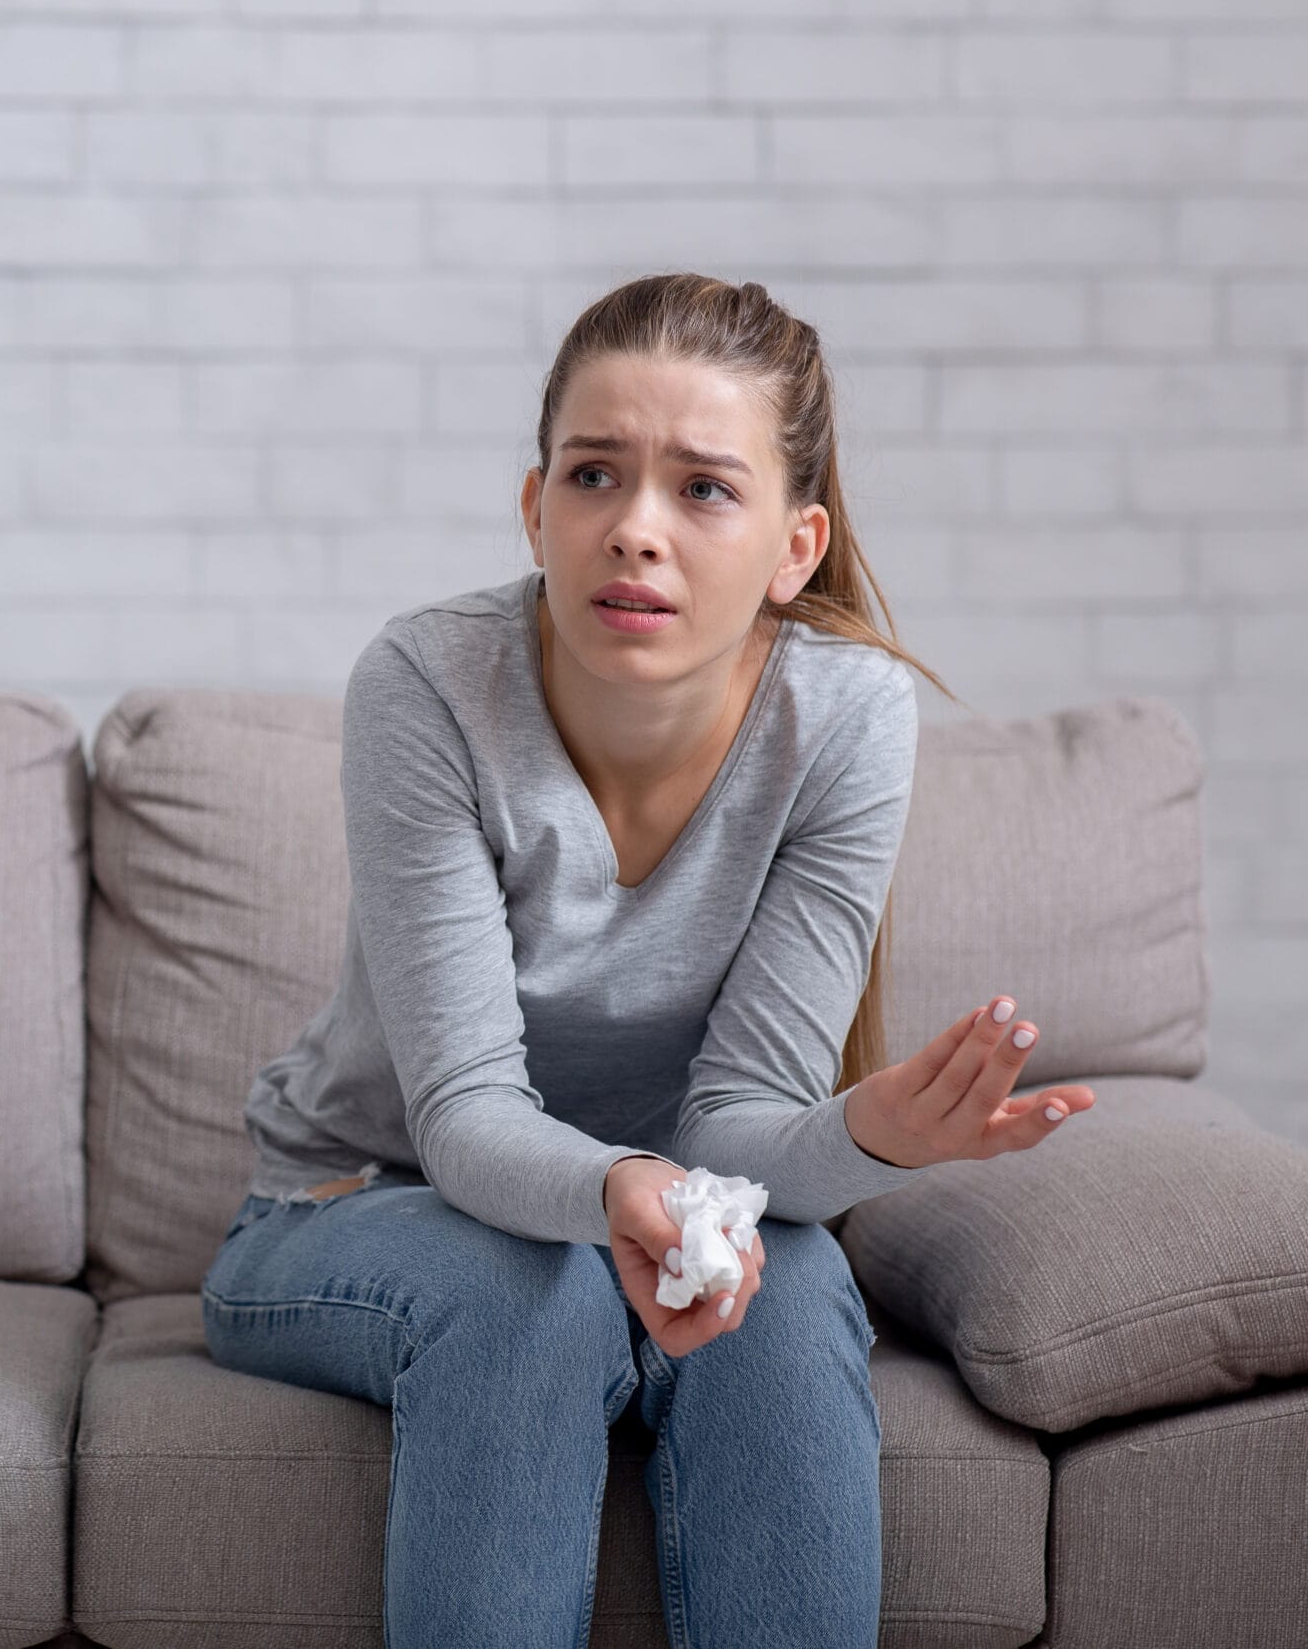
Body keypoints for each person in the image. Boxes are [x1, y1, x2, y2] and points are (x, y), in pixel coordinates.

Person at [201, 273, 1101, 1649]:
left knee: (789, 1292)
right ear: (533, 508)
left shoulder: (846, 715)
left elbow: (742, 1126)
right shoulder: (428, 686)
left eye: (702, 490)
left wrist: (873, 1136)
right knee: (532, 1288)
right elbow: (462, 1122)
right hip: (354, 1201)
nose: (634, 530)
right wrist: (634, 1187)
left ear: (796, 546)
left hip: (681, 1215)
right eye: (595, 475)